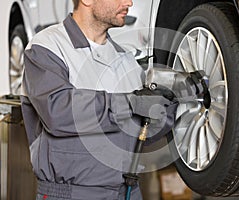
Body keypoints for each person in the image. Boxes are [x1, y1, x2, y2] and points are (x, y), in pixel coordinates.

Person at [20, 0, 179, 199]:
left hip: (127, 191)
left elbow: (144, 132)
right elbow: (58, 110)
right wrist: (130, 104)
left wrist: (171, 103)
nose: (129, 2)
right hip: (70, 193)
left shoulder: (125, 59)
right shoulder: (48, 46)